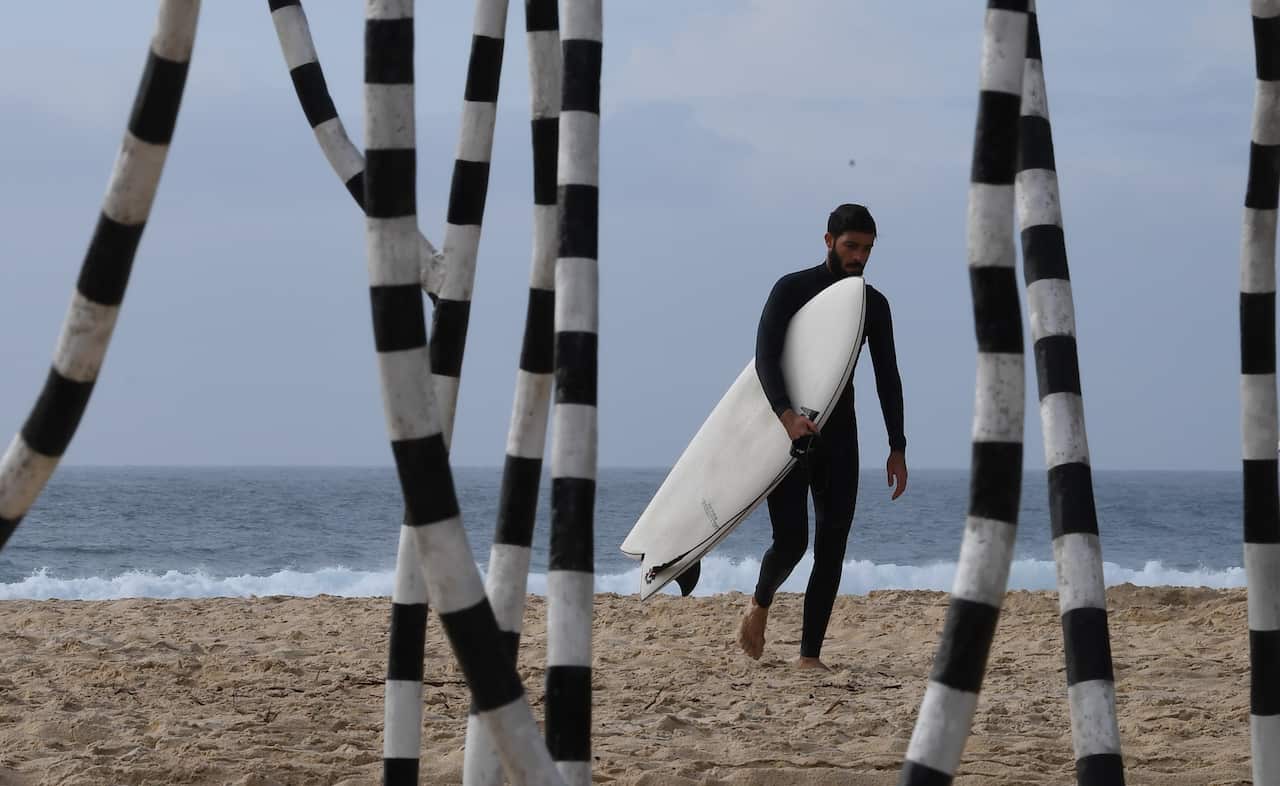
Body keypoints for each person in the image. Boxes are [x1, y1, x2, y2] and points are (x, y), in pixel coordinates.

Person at [736, 203, 908, 670]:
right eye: (851, 246)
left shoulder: (874, 305)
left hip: (840, 437)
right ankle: (760, 602)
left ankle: (809, 656)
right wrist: (786, 416)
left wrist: (897, 446)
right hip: (789, 434)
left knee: (833, 544)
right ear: (828, 240)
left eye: (868, 248)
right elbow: (765, 358)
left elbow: (887, 376)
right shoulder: (792, 289)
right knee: (791, 543)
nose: (859, 257)